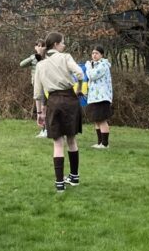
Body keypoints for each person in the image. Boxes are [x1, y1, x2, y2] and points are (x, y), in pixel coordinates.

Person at [33, 32, 84, 192]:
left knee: (57, 143)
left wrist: (40, 113)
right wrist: (80, 89)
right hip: (70, 99)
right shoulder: (65, 57)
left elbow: (38, 93)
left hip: (54, 102)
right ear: (55, 44)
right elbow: (80, 73)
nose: (64, 45)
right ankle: (74, 177)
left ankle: (59, 183)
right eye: (63, 43)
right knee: (71, 140)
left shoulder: (41, 65)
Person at [85, 45, 113, 149]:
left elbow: (92, 75)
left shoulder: (103, 65)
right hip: (93, 97)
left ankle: (105, 143)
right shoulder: (94, 65)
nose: (94, 55)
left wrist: (88, 67)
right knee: (96, 120)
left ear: (102, 55)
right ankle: (99, 142)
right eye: (93, 53)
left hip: (102, 97)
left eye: (96, 53)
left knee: (102, 120)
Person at [20, 39, 47, 137]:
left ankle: (46, 129)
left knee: (45, 107)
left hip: (46, 85)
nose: (40, 48)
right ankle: (43, 129)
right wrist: (32, 58)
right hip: (36, 85)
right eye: (38, 45)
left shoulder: (47, 58)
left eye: (42, 46)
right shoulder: (33, 57)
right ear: (35, 47)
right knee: (39, 108)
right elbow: (21, 64)